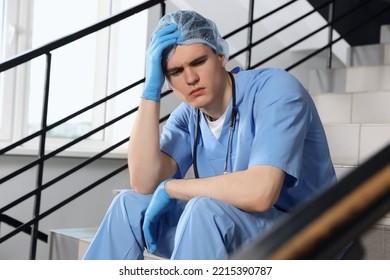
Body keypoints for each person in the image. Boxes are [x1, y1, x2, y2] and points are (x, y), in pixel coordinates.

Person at [83, 10, 337, 260]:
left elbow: (261, 193)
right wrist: (150, 90)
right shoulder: (187, 116)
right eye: (176, 72)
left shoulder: (275, 89)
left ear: (220, 56)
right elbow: (143, 182)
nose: (191, 78)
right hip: (231, 226)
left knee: (203, 209)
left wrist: (173, 187)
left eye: (198, 62)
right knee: (127, 204)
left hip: (305, 234)